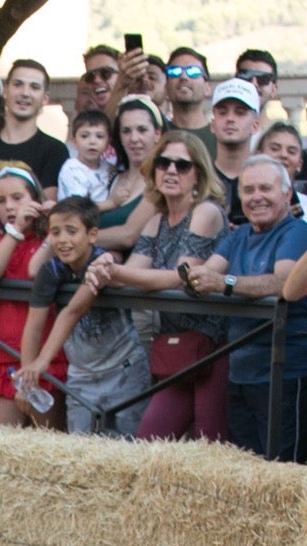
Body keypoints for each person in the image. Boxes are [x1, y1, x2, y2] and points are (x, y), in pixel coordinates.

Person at [84, 132, 226, 442]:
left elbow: (181, 275)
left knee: (210, 449)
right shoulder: (156, 220)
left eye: (182, 165)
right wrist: (103, 265)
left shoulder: (206, 212)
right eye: (163, 163)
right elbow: (133, 271)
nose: (171, 171)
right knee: (150, 441)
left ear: (198, 174)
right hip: (175, 347)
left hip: (216, 348)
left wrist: (114, 270)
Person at [189, 156, 307, 461]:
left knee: (282, 471)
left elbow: (284, 282)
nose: (256, 197)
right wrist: (194, 278)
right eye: (248, 189)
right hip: (240, 371)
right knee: (248, 467)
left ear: (286, 192)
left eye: (265, 188)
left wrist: (223, 282)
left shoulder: (296, 231)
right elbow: (208, 273)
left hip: (284, 372)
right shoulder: (239, 234)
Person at [20, 197, 150, 437]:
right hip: (80, 375)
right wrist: (26, 377)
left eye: (72, 231)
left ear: (92, 235)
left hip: (123, 370)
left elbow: (73, 311)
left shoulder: (103, 263)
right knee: (80, 452)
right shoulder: (50, 271)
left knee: (127, 450)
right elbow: (34, 325)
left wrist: (43, 360)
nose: (63, 240)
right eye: (56, 232)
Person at [0, 165, 65, 429]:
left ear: (35, 199)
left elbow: (36, 269)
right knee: (2, 447)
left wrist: (55, 222)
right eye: (1, 201)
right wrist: (15, 231)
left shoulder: (52, 239)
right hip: (6, 355)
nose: (9, 206)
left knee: (45, 444)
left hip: (44, 357)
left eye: (18, 198)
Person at [0, 59, 68, 241]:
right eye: (18, 84)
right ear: (5, 90)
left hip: (29, 256)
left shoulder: (54, 150)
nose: (25, 93)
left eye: (34, 87)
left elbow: (44, 213)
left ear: (45, 98)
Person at [96, 96, 164, 251]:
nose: (134, 138)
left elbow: (128, 236)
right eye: (126, 131)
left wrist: (78, 239)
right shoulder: (111, 176)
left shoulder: (161, 180)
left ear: (158, 134)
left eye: (142, 130)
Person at [209, 78, 261, 225]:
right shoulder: (198, 177)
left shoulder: (268, 179)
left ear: (255, 125)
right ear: (213, 124)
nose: (230, 119)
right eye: (223, 112)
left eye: (240, 113)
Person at [164, 48, 217, 157]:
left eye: (193, 71)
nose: (183, 77)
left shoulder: (221, 136)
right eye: (174, 71)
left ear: (207, 87)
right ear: (165, 88)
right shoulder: (155, 134)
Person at [57, 110, 114, 203]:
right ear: (74, 142)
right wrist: (113, 203)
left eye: (99, 136)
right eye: (84, 136)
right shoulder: (72, 169)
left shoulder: (107, 167)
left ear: (108, 143)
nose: (92, 141)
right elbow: (80, 208)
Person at [258, 121, 307, 214]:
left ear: (300, 163)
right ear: (259, 154)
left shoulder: (305, 205)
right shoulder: (247, 201)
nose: (284, 155)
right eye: (275, 149)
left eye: (291, 151)